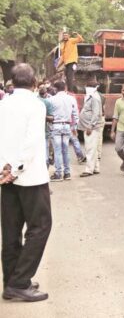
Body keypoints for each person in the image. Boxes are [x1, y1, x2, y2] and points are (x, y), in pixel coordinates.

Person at [0, 64, 52, 302]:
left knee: (11, 230)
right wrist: (17, 167)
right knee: (40, 227)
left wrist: (5, 168)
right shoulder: (36, 105)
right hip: (29, 177)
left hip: (5, 177)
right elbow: (31, 142)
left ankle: (11, 281)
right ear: (34, 83)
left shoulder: (3, 105)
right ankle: (20, 282)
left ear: (12, 82)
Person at [48, 81, 78, 181]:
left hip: (56, 125)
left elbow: (49, 114)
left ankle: (58, 174)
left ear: (55, 89)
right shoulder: (71, 99)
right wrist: (74, 127)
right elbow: (75, 114)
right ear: (65, 88)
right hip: (67, 125)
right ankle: (67, 173)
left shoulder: (51, 99)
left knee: (57, 151)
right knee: (65, 150)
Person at [78, 78, 103, 177]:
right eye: (88, 86)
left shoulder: (94, 97)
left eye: (90, 86)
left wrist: (90, 126)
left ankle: (89, 170)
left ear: (95, 88)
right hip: (88, 126)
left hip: (91, 127)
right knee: (94, 148)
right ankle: (96, 168)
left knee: (90, 149)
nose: (88, 88)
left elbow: (96, 113)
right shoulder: (90, 96)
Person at [37, 83, 55, 167]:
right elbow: (51, 118)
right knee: (45, 148)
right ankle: (46, 164)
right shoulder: (47, 102)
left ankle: (45, 163)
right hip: (44, 130)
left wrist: (41, 115)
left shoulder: (47, 101)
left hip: (42, 130)